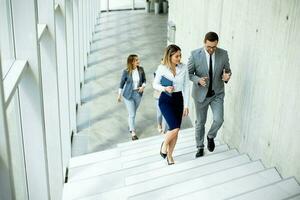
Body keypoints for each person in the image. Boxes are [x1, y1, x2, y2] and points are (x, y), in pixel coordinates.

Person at [188, 32, 232, 158]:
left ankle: (210, 136)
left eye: (214, 47)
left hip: (217, 94)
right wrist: (198, 80)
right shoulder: (195, 55)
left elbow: (228, 71)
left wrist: (227, 76)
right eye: (209, 47)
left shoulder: (223, 54)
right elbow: (189, 73)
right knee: (200, 122)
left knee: (219, 119)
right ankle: (200, 147)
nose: (211, 49)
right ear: (204, 43)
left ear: (217, 43)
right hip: (200, 95)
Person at [153, 44, 190, 165]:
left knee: (176, 130)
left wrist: (186, 105)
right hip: (166, 100)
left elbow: (187, 86)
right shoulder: (162, 68)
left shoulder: (184, 68)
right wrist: (164, 88)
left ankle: (169, 155)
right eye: (176, 56)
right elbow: (155, 84)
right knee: (175, 128)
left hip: (178, 99)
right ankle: (164, 145)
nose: (179, 58)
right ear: (169, 56)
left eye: (180, 56)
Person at [118, 54, 146, 141]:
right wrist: (119, 95)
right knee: (132, 114)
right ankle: (133, 132)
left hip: (138, 94)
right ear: (132, 62)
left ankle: (131, 125)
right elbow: (121, 83)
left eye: (138, 59)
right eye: (136, 60)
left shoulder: (141, 70)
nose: (138, 61)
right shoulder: (126, 71)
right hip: (128, 95)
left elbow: (144, 80)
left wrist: (143, 86)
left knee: (133, 112)